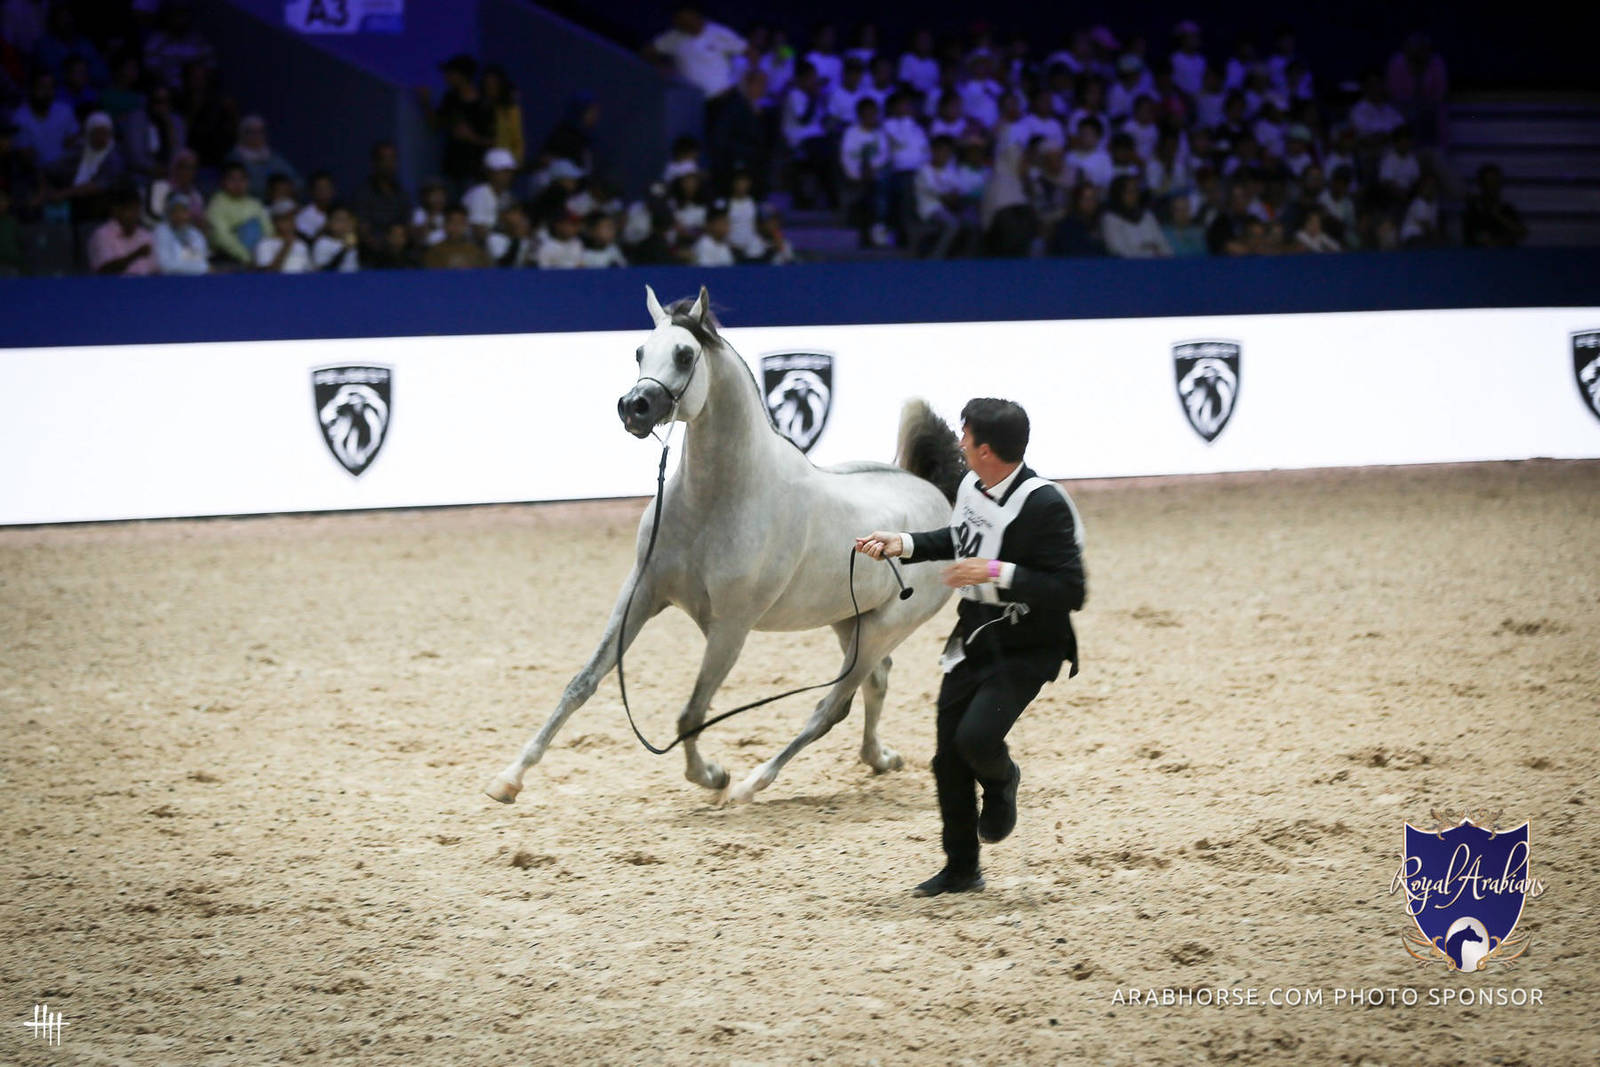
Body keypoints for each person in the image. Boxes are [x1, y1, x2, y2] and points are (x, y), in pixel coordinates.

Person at [856, 398, 1087, 896]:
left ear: (985, 449)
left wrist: (993, 572)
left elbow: (1071, 590)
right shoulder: (969, 486)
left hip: (1029, 646)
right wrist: (905, 543)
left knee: (977, 740)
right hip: (976, 634)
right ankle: (962, 869)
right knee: (946, 758)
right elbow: (961, 539)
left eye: (965, 436)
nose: (958, 443)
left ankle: (1003, 782)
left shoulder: (1045, 504)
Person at [205, 160, 269, 266]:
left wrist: (263, 256)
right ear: (223, 181)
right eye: (232, 179)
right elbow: (222, 238)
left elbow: (268, 231)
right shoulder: (216, 204)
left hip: (258, 258)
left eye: (242, 179)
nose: (238, 184)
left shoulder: (255, 204)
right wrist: (246, 257)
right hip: (228, 259)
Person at [87, 184, 156, 275]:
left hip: (144, 286)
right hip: (112, 288)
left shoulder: (145, 234)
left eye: (137, 209)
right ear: (116, 210)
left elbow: (155, 270)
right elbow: (104, 270)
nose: (135, 215)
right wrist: (136, 255)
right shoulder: (102, 235)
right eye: (130, 209)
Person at [1462, 163, 1527, 248]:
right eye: (1488, 182)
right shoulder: (1473, 210)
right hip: (1481, 257)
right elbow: (1473, 238)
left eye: (1496, 182)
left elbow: (1522, 232)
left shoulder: (1506, 209)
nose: (1492, 186)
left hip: (1507, 257)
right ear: (1481, 184)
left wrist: (1498, 215)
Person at [153, 194, 208, 274]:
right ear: (169, 213)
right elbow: (165, 266)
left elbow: (200, 261)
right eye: (176, 211)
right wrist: (202, 268)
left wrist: (199, 267)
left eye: (184, 211)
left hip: (194, 281)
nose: (180, 215)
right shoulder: (161, 232)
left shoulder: (195, 235)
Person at [255, 198, 311, 272]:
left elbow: (310, 273)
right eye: (287, 219)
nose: (292, 223)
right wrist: (286, 246)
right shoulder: (264, 244)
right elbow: (267, 275)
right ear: (276, 221)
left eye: (293, 218)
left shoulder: (301, 244)